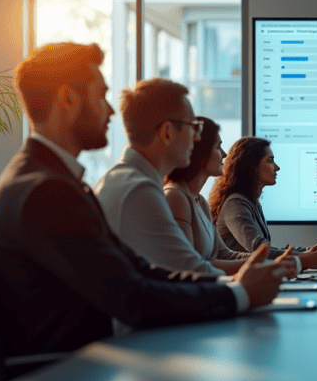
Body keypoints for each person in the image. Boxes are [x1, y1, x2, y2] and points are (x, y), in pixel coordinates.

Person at [0, 43, 288, 360]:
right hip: (69, 374)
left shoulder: (50, 179)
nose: (111, 110)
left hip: (85, 361)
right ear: (68, 99)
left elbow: (140, 271)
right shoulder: (47, 189)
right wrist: (239, 294)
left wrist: (235, 290)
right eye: (101, 95)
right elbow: (131, 297)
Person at [93, 78, 277, 277]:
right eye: (193, 126)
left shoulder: (124, 181)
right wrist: (248, 287)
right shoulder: (141, 191)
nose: (197, 137)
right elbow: (191, 270)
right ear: (168, 132)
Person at [211, 136, 317, 271]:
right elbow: (262, 250)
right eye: (270, 160)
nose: (277, 167)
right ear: (252, 167)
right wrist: (305, 257)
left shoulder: (251, 201)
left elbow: (266, 249)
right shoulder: (235, 203)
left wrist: (307, 252)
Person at [163, 116, 250, 274]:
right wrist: (260, 265)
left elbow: (225, 255)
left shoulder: (200, 202)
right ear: (201, 154)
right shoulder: (176, 197)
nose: (224, 155)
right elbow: (192, 265)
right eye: (218, 147)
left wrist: (271, 261)